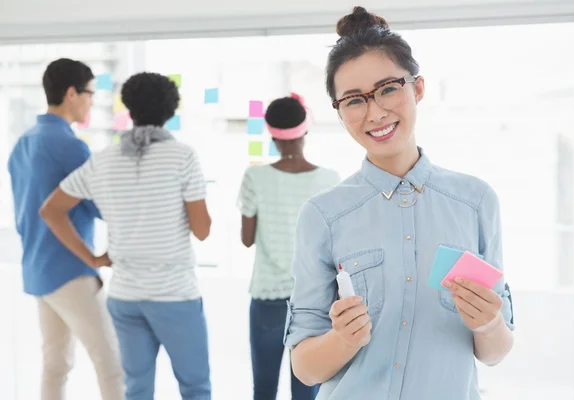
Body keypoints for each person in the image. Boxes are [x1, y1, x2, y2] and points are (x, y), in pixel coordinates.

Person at [283, 7, 515, 400]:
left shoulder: (475, 202)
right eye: (354, 100)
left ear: (417, 88)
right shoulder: (323, 215)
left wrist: (488, 323)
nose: (375, 112)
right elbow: (304, 368)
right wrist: (342, 339)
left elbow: (495, 351)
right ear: (340, 113)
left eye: (388, 88)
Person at [39, 72, 213, 400]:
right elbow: (202, 231)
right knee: (195, 388)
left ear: (129, 109)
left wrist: (92, 258)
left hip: (126, 298)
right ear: (170, 110)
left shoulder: (103, 161)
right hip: (174, 295)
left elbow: (51, 210)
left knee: (136, 389)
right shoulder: (182, 156)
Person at [7, 58, 125, 400]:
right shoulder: (69, 145)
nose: (91, 101)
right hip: (70, 270)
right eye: (89, 93)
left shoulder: (22, 143)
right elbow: (98, 205)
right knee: (111, 363)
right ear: (72, 93)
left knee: (56, 365)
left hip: (37, 270)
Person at [237, 94, 340, 400]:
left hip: (268, 297)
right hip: (314, 300)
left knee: (264, 388)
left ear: (272, 135)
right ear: (305, 130)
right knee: (308, 388)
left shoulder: (255, 176)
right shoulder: (331, 180)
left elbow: (246, 239)